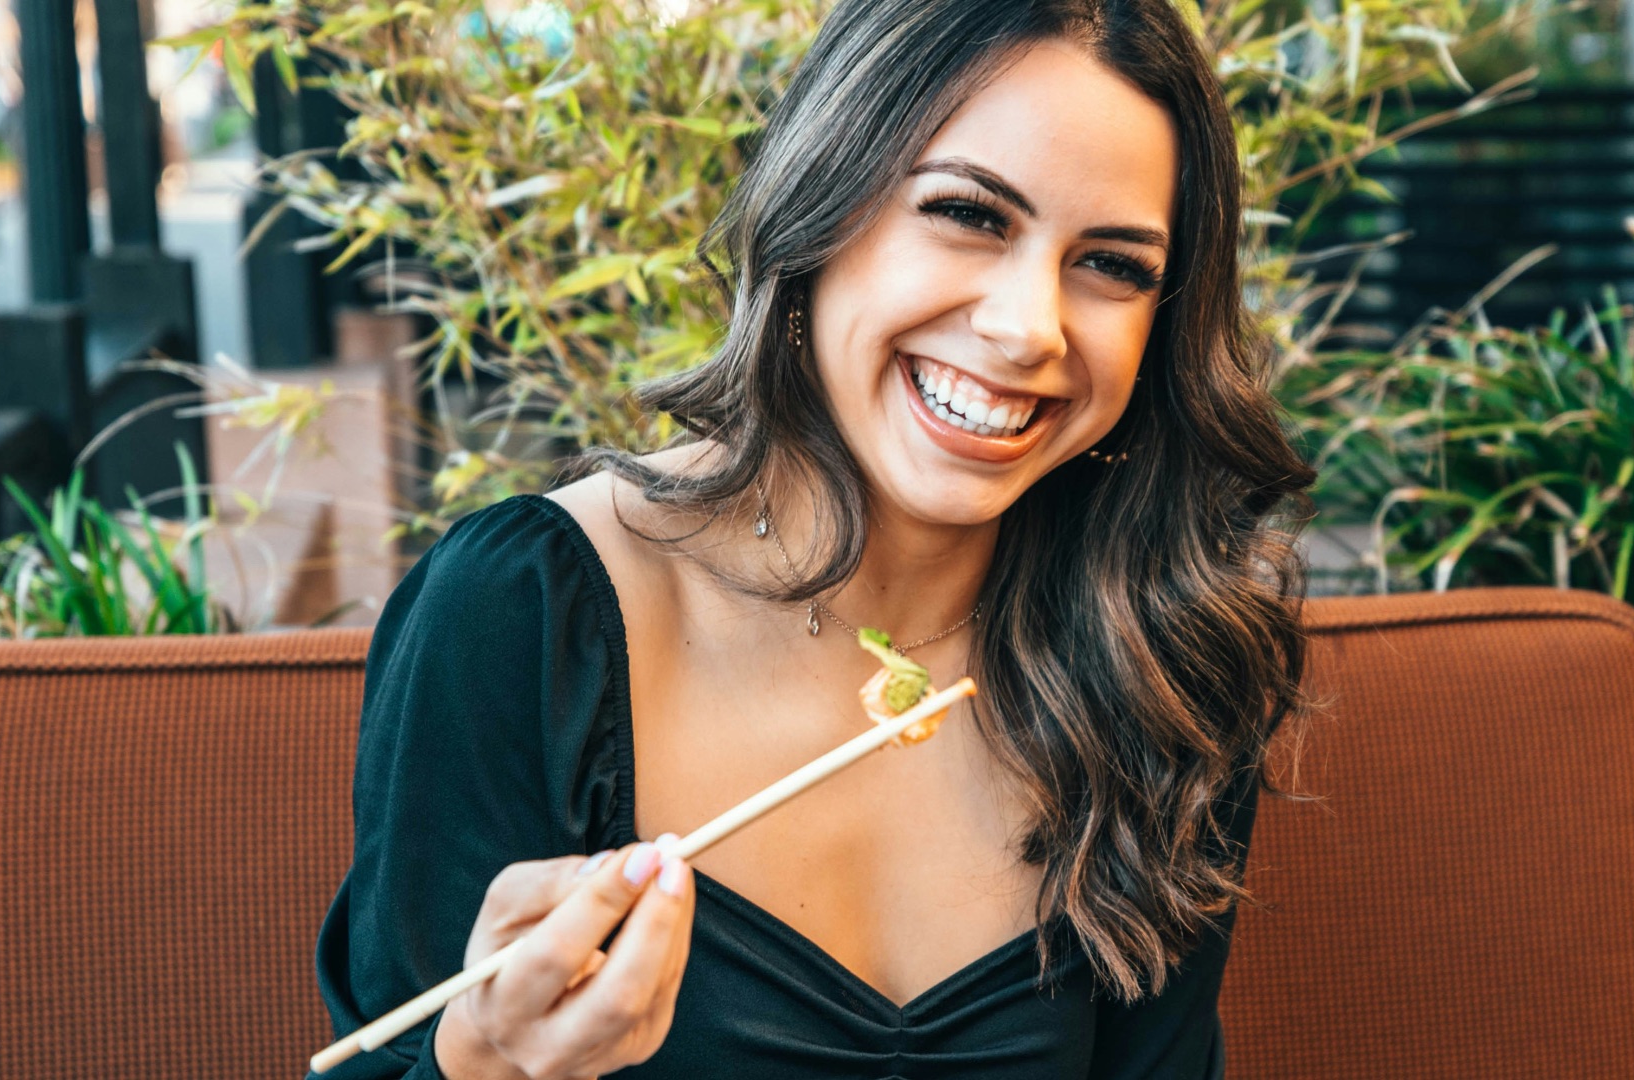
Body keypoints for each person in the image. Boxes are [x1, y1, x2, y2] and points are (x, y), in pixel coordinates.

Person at [311, 1, 1316, 1077]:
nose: (1028, 327)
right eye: (969, 213)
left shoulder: (1161, 659)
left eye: (1112, 264)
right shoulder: (521, 612)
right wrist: (484, 1060)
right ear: (818, 210)